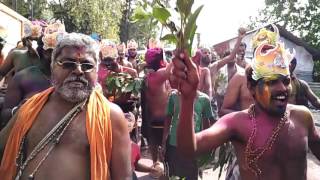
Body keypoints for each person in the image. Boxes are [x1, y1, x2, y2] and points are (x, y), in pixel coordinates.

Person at [172, 37, 320, 180]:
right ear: (251, 87)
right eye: (272, 82)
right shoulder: (236, 123)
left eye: (286, 81)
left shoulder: (302, 117)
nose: (282, 88)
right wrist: (187, 98)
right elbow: (188, 148)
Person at [0, 33, 131, 180]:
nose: (78, 71)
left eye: (87, 66)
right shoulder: (30, 108)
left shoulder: (111, 116)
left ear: (96, 71)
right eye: (68, 63)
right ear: (53, 66)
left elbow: (124, 177)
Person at [0, 21, 66, 129]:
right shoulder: (23, 76)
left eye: (63, 53)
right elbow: (4, 117)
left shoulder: (69, 81)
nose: (60, 57)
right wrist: (19, 110)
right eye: (54, 51)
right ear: (45, 52)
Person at [162, 87, 216, 179]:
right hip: (174, 143)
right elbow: (168, 119)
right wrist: (164, 141)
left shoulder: (204, 99)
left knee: (191, 174)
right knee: (174, 174)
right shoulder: (174, 97)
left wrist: (205, 145)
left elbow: (207, 124)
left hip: (192, 144)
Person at [141, 47, 172, 170]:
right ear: (161, 60)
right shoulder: (159, 75)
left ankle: (155, 167)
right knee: (166, 151)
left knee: (154, 146)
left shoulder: (147, 77)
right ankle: (163, 171)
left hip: (152, 119)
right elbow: (173, 66)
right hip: (163, 120)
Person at [210, 28, 247, 109]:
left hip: (235, 105)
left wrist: (240, 38)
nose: (232, 57)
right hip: (218, 103)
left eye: (234, 56)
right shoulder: (215, 67)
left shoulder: (241, 71)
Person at [125, 112, 162, 179]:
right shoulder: (111, 144)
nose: (126, 122)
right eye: (123, 119)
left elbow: (135, 165)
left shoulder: (135, 147)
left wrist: (150, 169)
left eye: (129, 120)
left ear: (134, 126)